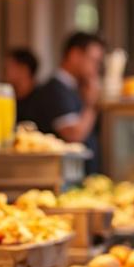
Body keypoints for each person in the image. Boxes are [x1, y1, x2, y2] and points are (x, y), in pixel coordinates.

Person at [19, 32, 105, 169]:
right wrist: (91, 104)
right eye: (93, 60)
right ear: (74, 55)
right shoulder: (55, 91)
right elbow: (74, 135)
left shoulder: (74, 88)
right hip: (59, 176)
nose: (96, 68)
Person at [6, 48, 40, 124]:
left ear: (24, 69)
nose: (6, 71)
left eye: (10, 67)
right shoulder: (9, 99)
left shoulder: (43, 98)